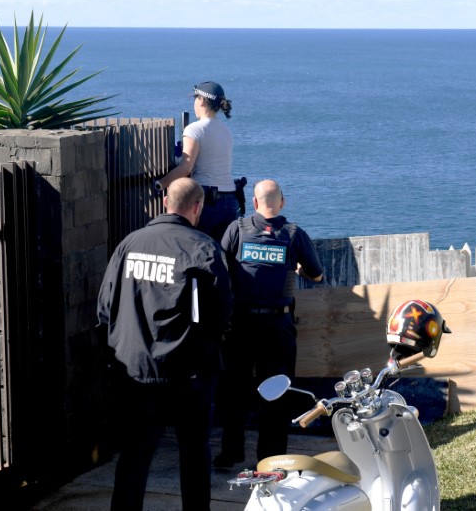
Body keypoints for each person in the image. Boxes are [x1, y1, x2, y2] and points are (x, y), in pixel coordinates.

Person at [97, 177, 233, 511]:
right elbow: (222, 314)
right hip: (189, 376)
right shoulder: (203, 248)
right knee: (194, 457)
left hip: (137, 371)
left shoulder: (129, 244)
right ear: (198, 208)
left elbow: (104, 308)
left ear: (164, 204)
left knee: (134, 457)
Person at [213, 179, 324, 469]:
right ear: (282, 203)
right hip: (277, 326)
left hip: (240, 324)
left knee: (235, 390)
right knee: (277, 391)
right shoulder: (293, 234)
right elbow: (317, 274)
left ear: (254, 203)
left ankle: (230, 453)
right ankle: (271, 459)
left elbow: (218, 266)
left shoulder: (237, 229)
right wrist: (297, 268)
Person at [156, 81, 239, 241]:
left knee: (199, 252)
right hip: (230, 200)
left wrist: (161, 184)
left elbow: (186, 168)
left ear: (201, 100)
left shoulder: (194, 129)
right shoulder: (226, 131)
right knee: (223, 256)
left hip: (206, 202)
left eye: (195, 98)